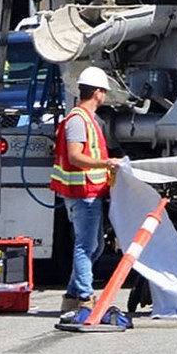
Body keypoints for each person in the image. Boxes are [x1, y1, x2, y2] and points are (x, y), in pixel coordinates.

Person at [52, 66, 121, 322]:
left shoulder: (85, 118)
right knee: (86, 245)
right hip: (82, 193)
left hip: (88, 191)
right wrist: (107, 164)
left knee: (95, 245)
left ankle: (71, 295)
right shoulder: (79, 120)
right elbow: (75, 156)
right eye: (104, 91)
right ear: (98, 93)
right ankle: (84, 296)